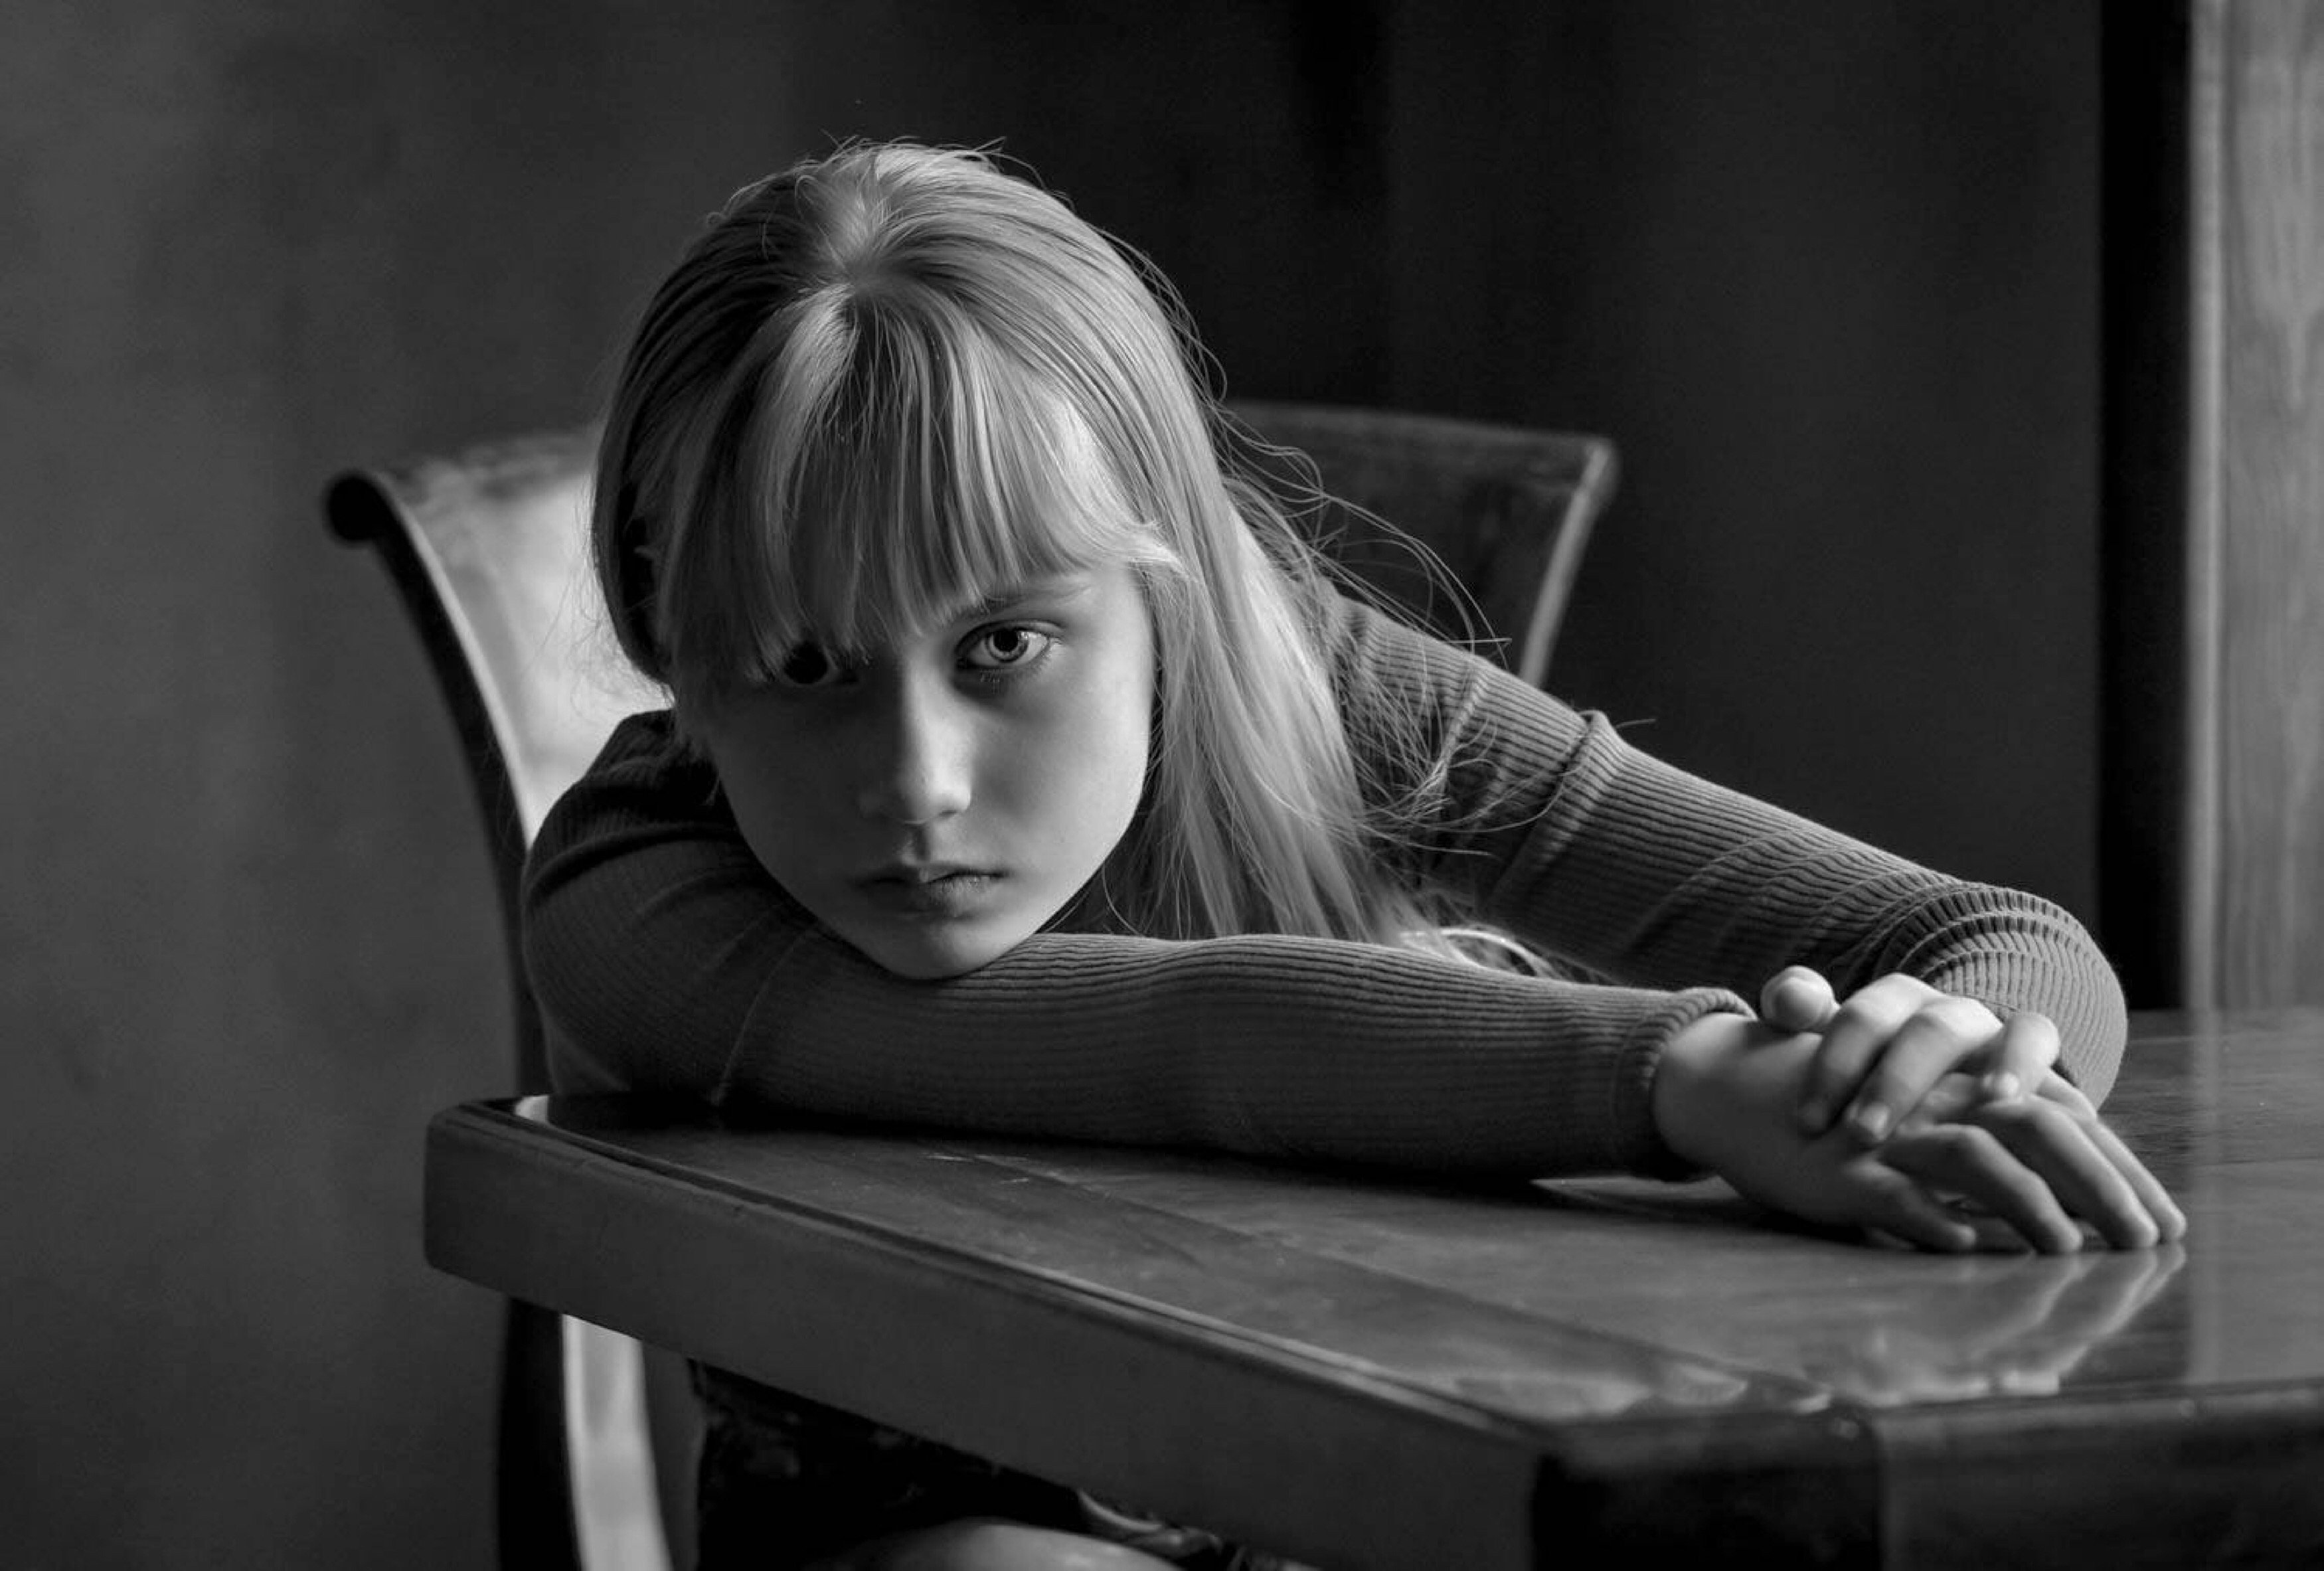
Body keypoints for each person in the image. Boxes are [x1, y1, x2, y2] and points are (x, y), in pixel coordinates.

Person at [524, 141, 2181, 1570]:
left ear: (1162, 589)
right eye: (804, 665)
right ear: (672, 634)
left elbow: (1983, 930)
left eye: (1003, 644)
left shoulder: (1306, 686)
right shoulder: (628, 896)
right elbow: (1189, 1040)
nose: (916, 782)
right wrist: (1684, 1077)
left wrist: (1948, 1062)